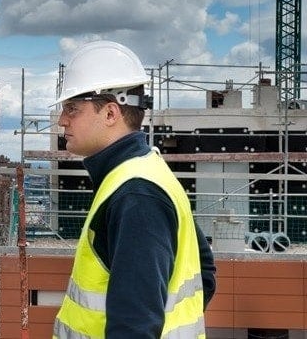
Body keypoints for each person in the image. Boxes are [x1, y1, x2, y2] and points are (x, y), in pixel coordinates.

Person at [50, 41, 216, 338]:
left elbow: (134, 329)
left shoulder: (136, 195)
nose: (62, 120)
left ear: (111, 114)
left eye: (72, 108)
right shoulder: (146, 172)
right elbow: (204, 275)